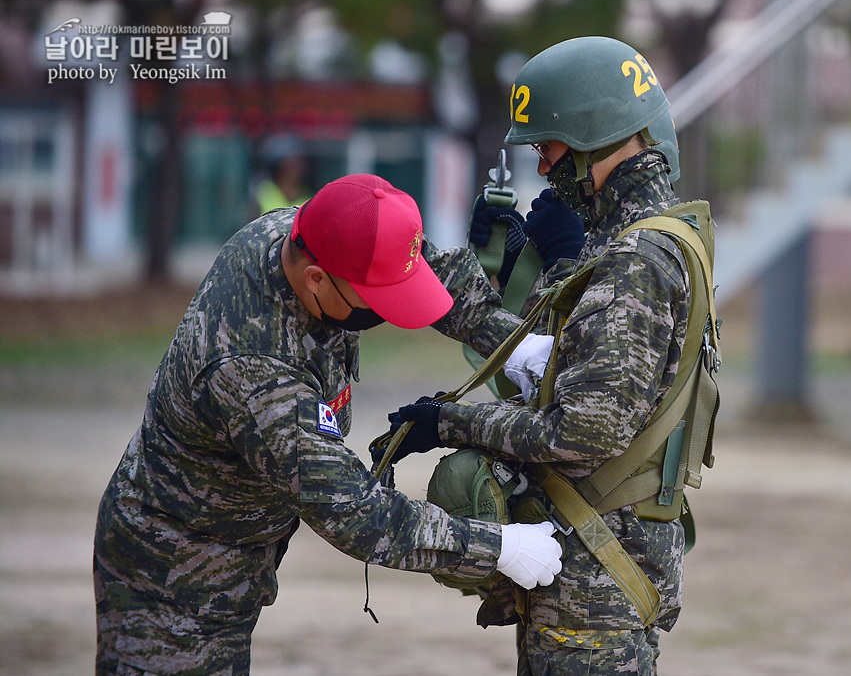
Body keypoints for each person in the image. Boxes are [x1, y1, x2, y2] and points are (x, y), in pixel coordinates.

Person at [93, 174, 563, 675]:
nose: (385, 313)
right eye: (374, 301)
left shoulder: (321, 232)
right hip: (172, 578)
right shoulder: (254, 371)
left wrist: (513, 346)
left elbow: (422, 267)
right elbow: (356, 513)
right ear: (316, 279)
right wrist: (502, 549)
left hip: (236, 555)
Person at [384, 36, 717, 675]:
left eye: (549, 147)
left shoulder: (633, 265)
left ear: (595, 132)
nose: (542, 166)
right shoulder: (645, 245)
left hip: (596, 580)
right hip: (597, 563)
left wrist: (449, 422)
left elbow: (582, 432)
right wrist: (505, 277)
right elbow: (551, 364)